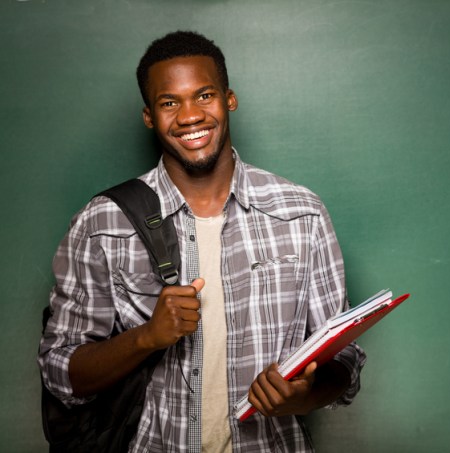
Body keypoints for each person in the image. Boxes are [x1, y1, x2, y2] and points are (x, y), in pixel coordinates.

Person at [38, 30, 366, 452]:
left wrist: (302, 396)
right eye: (169, 102)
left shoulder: (300, 213)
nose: (190, 115)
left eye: (204, 96)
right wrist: (146, 337)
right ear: (148, 116)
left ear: (229, 99)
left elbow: (344, 363)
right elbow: (60, 372)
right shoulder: (103, 223)